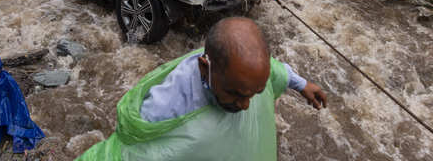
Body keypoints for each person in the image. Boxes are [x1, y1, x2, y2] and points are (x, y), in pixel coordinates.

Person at [77, 17, 327, 161]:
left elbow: (272, 69)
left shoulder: (243, 74)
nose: (246, 105)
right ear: (203, 68)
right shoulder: (166, 105)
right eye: (235, 94)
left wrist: (302, 84)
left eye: (254, 93)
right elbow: (126, 152)